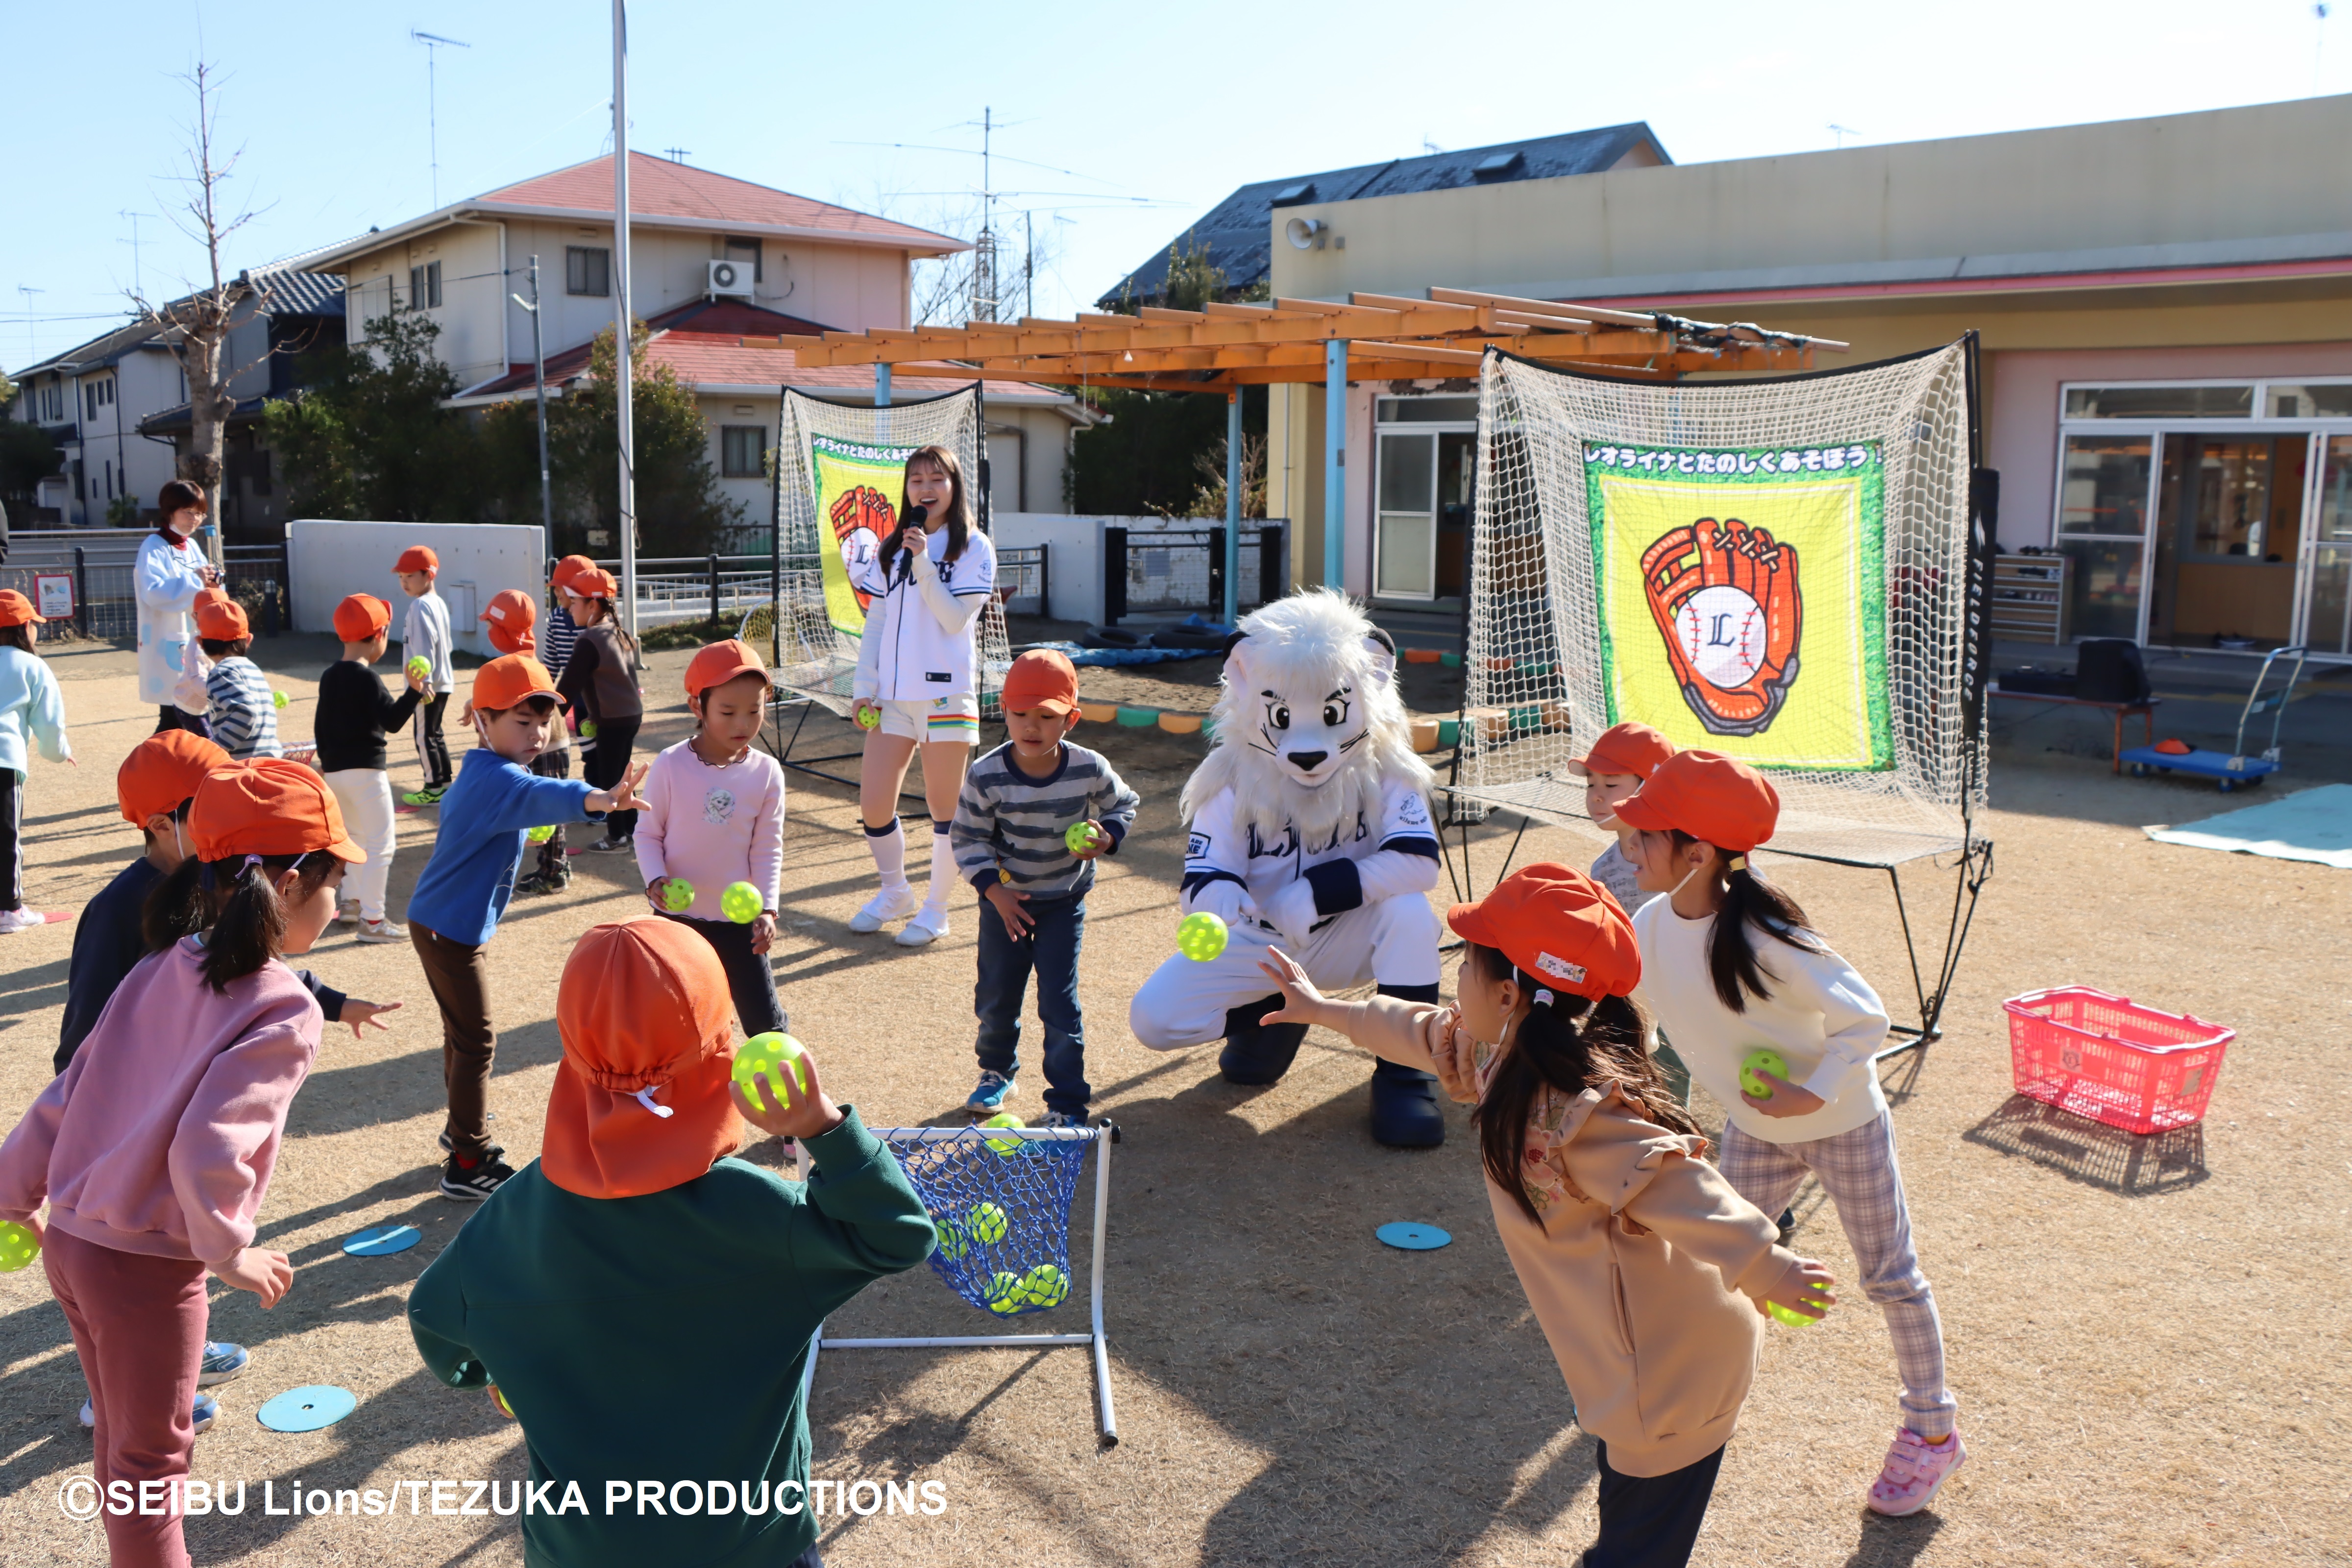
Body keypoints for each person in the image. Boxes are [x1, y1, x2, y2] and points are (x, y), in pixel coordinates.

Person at [1253, 863, 1837, 1568]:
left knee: (1635, 1550)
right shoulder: (1511, 1053)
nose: (1454, 981)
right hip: (1642, 1358)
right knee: (1629, 1513)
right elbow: (1426, 1031)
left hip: (1670, 1374)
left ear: (1507, 992)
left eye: (1464, 964)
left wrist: (1766, 1264)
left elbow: (1682, 1183)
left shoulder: (1574, 1113)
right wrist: (1324, 1009)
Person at [407, 916, 934, 1568]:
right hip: (746, 1546)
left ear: (572, 1055)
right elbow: (900, 1237)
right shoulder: (765, 1217)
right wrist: (824, 1128)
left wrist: (497, 1368)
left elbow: (433, 1318)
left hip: (582, 1551)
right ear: (722, 1055)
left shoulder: (507, 1220)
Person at [0, 758, 360, 1568]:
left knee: (124, 1451)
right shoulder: (284, 1005)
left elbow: (69, 1093)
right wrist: (229, 1248)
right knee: (151, 1465)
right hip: (146, 1270)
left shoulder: (164, 963)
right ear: (294, 882)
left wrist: (12, 1192)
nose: (341, 903)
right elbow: (210, 1142)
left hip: (73, 1246)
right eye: (337, 880)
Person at [1615, 749, 1965, 1517]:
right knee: (1711, 1259)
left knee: (1890, 1277)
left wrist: (1814, 1092)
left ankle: (1932, 1433)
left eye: (1645, 835)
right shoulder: (1650, 923)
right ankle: (1685, 1398)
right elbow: (1622, 1002)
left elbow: (1866, 1017)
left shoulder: (1772, 939)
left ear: (1698, 853)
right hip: (1752, 1128)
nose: (1627, 844)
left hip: (1844, 1126)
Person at [406, 652, 648, 1201]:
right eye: (523, 721)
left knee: (462, 1035)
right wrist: (602, 798)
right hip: (450, 930)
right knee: (477, 1041)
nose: (539, 732)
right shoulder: (499, 778)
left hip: (445, 923)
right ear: (481, 719)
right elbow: (542, 794)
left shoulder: (483, 769)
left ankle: (458, 1129)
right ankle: (467, 1159)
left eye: (546, 721)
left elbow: (526, 800)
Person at [949, 648, 1136, 1126]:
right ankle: (996, 1071)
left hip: (1062, 902)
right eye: (1020, 714)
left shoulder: (1088, 767)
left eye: (1047, 716)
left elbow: (1124, 803)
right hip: (1004, 904)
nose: (1032, 726)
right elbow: (967, 836)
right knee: (996, 993)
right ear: (1003, 712)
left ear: (1070, 719)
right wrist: (995, 892)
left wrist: (1107, 833)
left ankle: (1068, 1103)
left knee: (1058, 1001)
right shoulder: (986, 773)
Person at [845, 444, 996, 947]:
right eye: (916, 480)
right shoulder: (892, 549)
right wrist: (865, 686)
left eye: (937, 479)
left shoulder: (974, 546)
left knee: (943, 808)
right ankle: (895, 892)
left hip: (947, 696)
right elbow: (879, 622)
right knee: (873, 803)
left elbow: (956, 620)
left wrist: (926, 563)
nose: (925, 489)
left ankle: (936, 909)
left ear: (954, 487)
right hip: (892, 699)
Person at [637, 639, 787, 1035]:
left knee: (765, 1024)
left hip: (741, 922)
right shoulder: (670, 764)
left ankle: (787, 1094)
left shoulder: (767, 772)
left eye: (755, 711)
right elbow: (649, 833)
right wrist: (655, 881)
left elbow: (768, 847)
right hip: (675, 920)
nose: (743, 724)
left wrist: (767, 909)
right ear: (696, 706)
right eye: (728, 711)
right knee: (674, 1021)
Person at [1567, 721, 1691, 1105]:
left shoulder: (1682, 852)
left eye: (1611, 784)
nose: (1597, 797)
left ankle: (1675, 1133)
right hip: (1632, 988)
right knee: (1632, 1065)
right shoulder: (1603, 867)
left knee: (1678, 1059)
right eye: (1591, 785)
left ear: (1651, 787)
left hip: (1683, 982)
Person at [316, 593, 427, 940]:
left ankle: (351, 904)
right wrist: (414, 691)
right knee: (381, 844)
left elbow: (321, 726)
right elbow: (392, 721)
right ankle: (374, 921)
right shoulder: (368, 679)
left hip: (335, 772)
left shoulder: (329, 676)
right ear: (379, 634)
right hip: (366, 771)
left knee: (354, 839)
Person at [482, 587, 574, 897]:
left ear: (504, 631)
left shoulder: (520, 662)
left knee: (551, 807)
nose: (488, 631)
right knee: (546, 805)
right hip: (544, 742)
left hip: (547, 745)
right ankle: (552, 865)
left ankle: (554, 871)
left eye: (491, 626)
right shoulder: (520, 655)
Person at [555, 567, 645, 854]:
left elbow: (567, 689)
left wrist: (545, 720)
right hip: (630, 715)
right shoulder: (618, 632)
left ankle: (617, 837)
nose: (569, 609)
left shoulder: (589, 640)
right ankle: (635, 829)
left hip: (613, 720)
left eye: (574, 602)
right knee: (620, 776)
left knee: (610, 780)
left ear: (592, 604)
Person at [0, 588, 73, 933]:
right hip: (3, 761)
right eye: (33, 623)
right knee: (5, 836)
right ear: (22, 628)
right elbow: (50, 724)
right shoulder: (31, 665)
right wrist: (60, 753)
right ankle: (10, 909)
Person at [135, 479, 221, 735]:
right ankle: (151, 767)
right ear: (170, 510)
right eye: (188, 512)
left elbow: (201, 585)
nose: (195, 519)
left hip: (194, 635)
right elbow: (153, 592)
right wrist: (195, 578)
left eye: (200, 513)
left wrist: (212, 582)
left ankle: (160, 767)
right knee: (175, 712)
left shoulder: (192, 545)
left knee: (188, 712)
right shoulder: (153, 546)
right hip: (166, 636)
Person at [396, 544, 455, 805]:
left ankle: (433, 788)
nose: (404, 582)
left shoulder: (420, 606)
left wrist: (423, 682)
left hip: (426, 684)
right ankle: (445, 784)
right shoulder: (437, 603)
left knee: (424, 736)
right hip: (442, 681)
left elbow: (423, 647)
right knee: (434, 733)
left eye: (410, 576)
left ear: (429, 575)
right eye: (401, 577)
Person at [193, 596, 282, 760]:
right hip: (271, 760)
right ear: (248, 640)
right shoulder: (253, 669)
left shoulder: (220, 673)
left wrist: (217, 748)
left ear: (201, 643)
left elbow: (246, 711)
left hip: (245, 766)